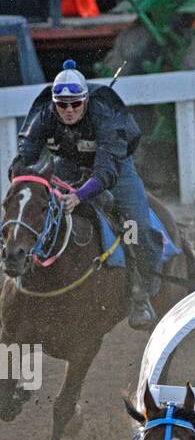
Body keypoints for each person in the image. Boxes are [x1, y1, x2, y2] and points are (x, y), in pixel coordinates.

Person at [10, 59, 162, 329]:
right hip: (68, 165)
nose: (68, 111)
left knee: (135, 226)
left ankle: (141, 294)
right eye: (62, 105)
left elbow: (106, 171)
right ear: (54, 103)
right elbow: (25, 159)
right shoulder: (44, 115)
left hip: (116, 168)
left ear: (86, 101)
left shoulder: (105, 116)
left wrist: (79, 195)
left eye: (75, 104)